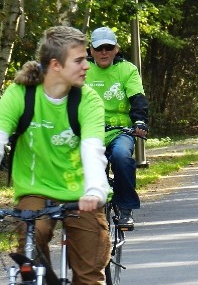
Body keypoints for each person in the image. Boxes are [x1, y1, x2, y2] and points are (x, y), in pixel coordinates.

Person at [0, 25, 110, 284]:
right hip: (35, 191)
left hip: (82, 195)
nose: (87, 66)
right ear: (56, 65)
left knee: (88, 274)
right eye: (80, 60)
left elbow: (93, 148)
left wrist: (95, 191)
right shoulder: (20, 94)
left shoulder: (88, 100)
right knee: (31, 248)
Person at [86, 26, 149, 228]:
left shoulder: (127, 69)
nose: (103, 52)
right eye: (99, 48)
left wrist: (140, 121)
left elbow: (138, 98)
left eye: (108, 47)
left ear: (116, 49)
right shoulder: (82, 69)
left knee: (122, 156)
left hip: (119, 131)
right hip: (90, 131)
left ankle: (125, 207)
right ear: (90, 50)